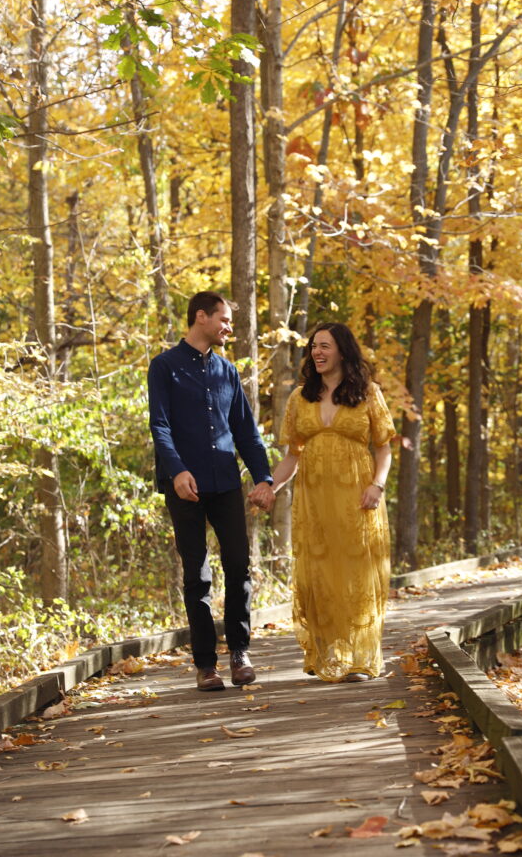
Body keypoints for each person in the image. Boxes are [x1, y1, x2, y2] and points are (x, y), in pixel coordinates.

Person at [251, 322, 394, 683]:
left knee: (356, 575)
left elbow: (384, 448)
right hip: (313, 503)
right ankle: (330, 654)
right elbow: (292, 457)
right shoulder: (301, 398)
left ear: (343, 351)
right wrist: (270, 486)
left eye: (324, 346)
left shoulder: (368, 393)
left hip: (357, 500)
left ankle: (361, 658)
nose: (316, 352)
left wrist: (377, 486)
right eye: (314, 346)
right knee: (321, 577)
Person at [147, 291, 275, 692]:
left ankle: (240, 652)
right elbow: (160, 426)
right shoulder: (164, 367)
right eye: (223, 319)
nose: (228, 327)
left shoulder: (227, 372)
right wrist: (177, 470)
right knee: (196, 574)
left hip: (224, 483)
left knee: (238, 567)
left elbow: (245, 431)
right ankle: (205, 664)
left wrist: (264, 478)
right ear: (200, 317)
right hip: (184, 486)